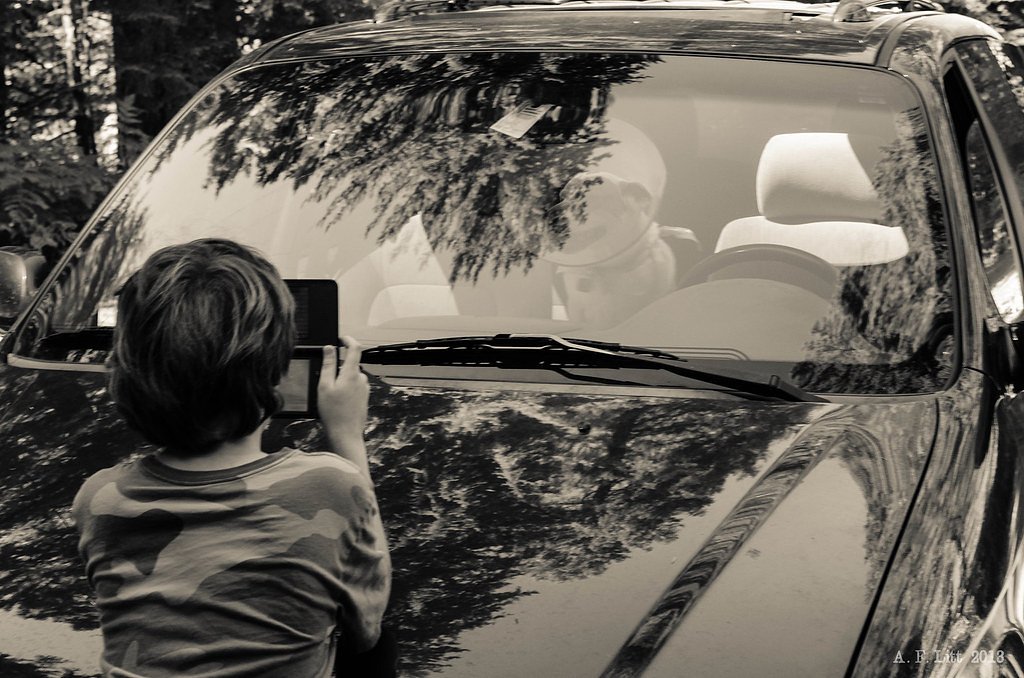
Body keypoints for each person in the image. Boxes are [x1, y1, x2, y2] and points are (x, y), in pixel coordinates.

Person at [72, 238, 391, 677]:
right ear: (281, 368)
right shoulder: (332, 484)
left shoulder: (99, 499)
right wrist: (346, 435)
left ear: (127, 371)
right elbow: (367, 628)